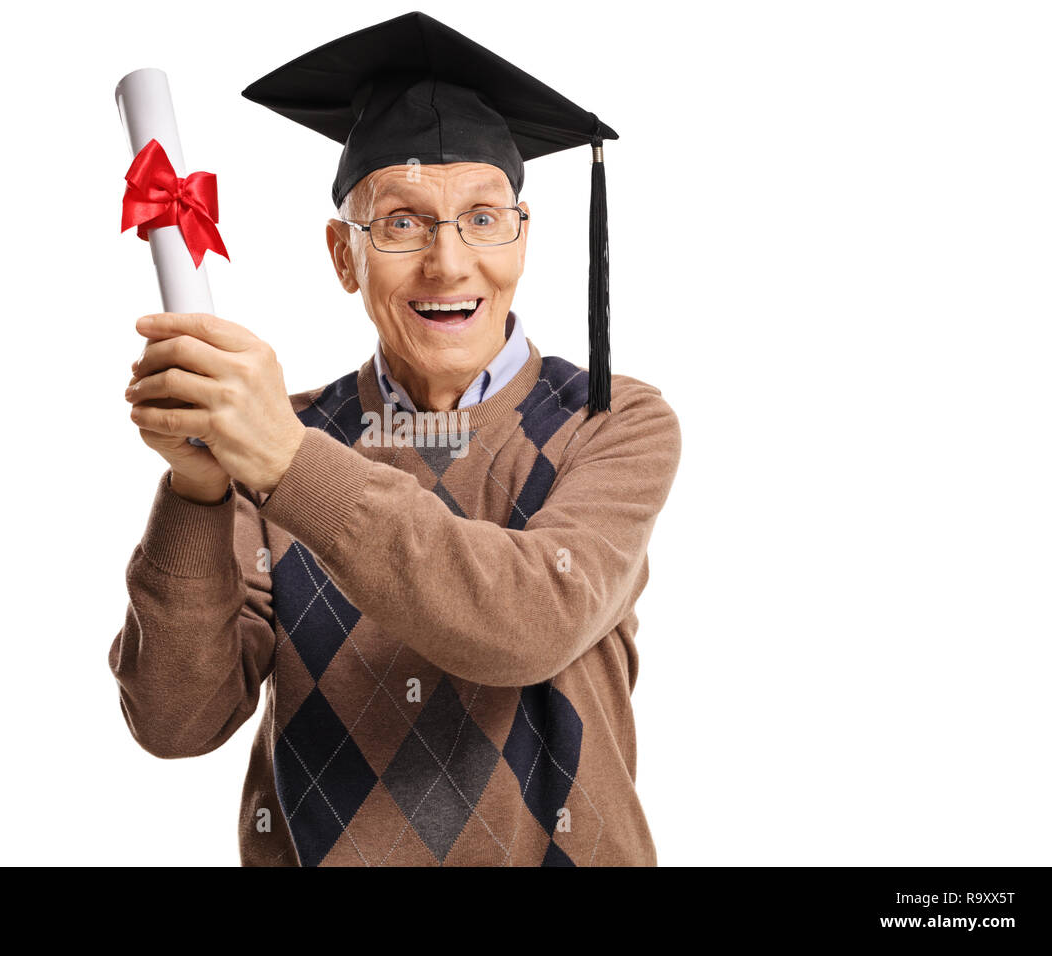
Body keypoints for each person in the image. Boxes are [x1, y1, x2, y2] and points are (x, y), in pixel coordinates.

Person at [108, 11, 682, 866]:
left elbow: (526, 622)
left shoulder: (610, 422)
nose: (449, 264)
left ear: (523, 241)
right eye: (403, 224)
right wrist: (198, 490)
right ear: (344, 256)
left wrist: (286, 465)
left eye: (484, 219)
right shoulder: (278, 436)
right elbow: (174, 720)